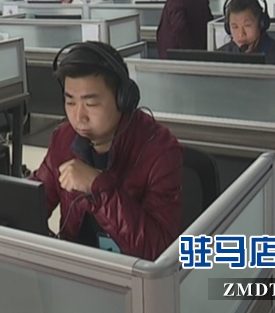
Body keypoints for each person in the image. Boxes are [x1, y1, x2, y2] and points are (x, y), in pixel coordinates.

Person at [31, 41, 183, 260]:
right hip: (78, 269)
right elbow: (31, 204)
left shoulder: (160, 151)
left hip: (132, 275)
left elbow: (158, 252)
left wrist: (97, 186)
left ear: (122, 99)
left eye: (91, 104)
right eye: (70, 102)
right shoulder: (64, 139)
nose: (79, 117)